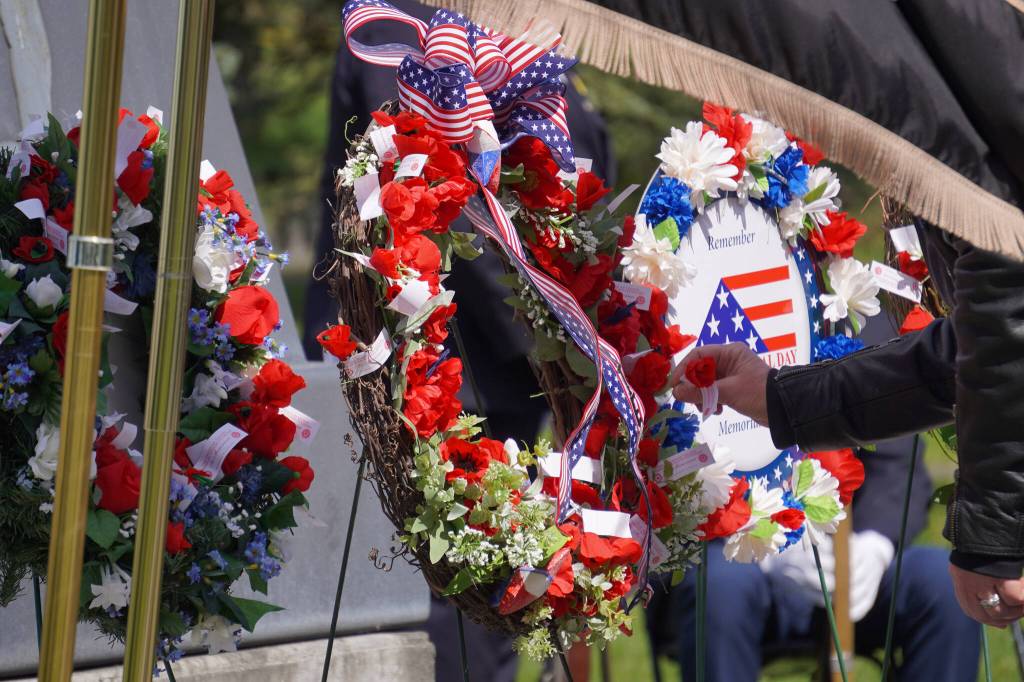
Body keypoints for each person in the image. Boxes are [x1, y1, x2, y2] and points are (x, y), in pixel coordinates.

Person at [303, 2, 616, 679]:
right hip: (439, 351)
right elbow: (435, 181)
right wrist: (542, 328)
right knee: (449, 576)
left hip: (519, 359)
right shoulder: (402, 24)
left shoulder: (527, 25)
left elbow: (570, 159)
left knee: (501, 571)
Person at [671, 220, 1024, 628]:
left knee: (932, 580)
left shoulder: (853, 309)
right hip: (738, 561)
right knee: (724, 590)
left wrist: (874, 546)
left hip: (859, 559)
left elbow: (998, 340)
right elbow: (964, 352)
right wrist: (778, 398)